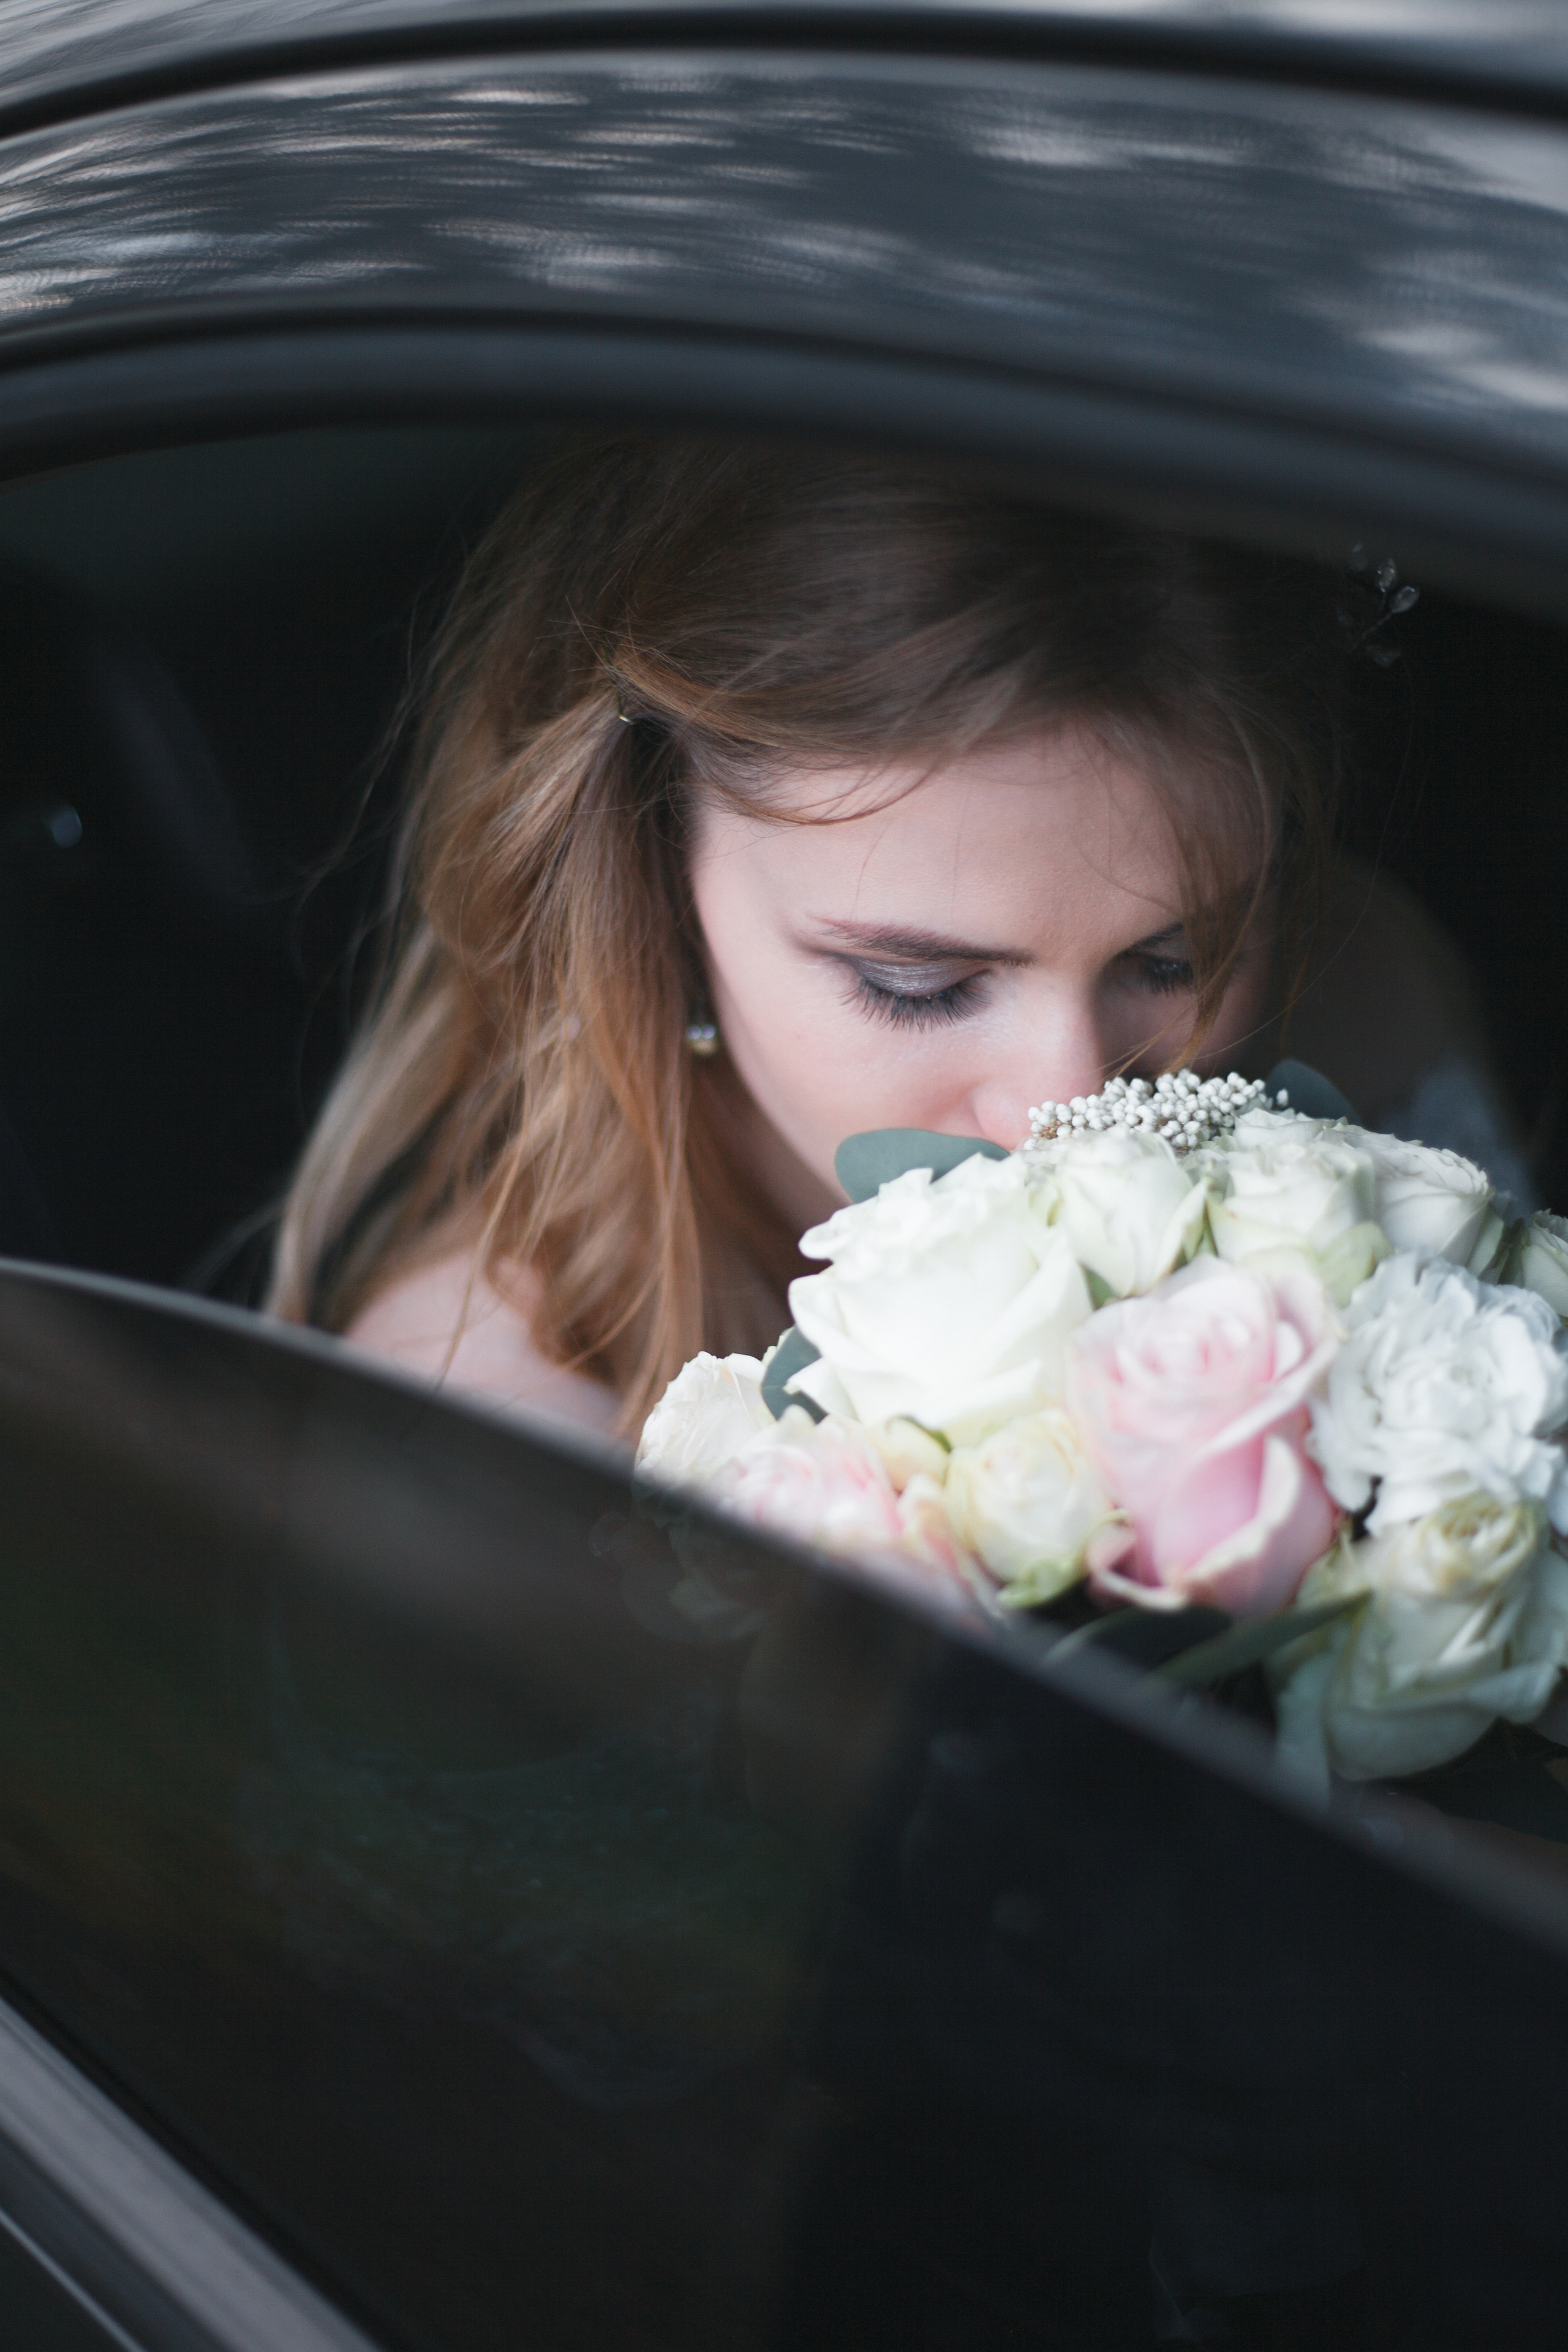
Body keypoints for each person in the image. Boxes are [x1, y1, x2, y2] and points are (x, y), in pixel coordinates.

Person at [267, 435, 1523, 1442]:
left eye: (1175, 958)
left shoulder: (1360, 1004)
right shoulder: (505, 1429)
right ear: (655, 890)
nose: (1066, 1110)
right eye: (912, 984)